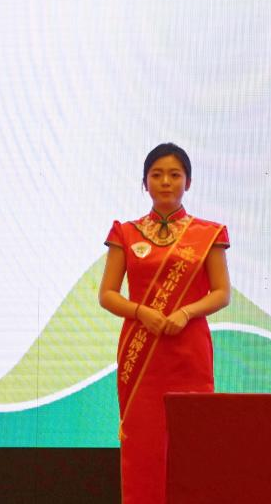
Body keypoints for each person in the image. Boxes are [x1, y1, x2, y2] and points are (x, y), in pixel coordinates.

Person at [99, 143, 232, 504]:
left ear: (188, 182)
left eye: (175, 175)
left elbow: (222, 293)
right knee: (143, 442)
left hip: (189, 350)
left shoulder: (208, 234)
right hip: (141, 351)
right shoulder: (125, 233)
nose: (166, 182)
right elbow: (107, 294)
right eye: (156, 175)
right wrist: (141, 312)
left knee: (190, 441)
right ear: (145, 182)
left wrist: (186, 312)